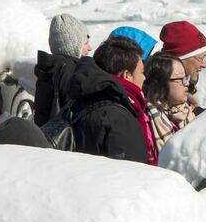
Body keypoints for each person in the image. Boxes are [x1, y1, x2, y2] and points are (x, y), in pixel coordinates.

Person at [66, 36, 157, 165]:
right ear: (127, 75)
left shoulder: (79, 100)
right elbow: (131, 175)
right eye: (142, 72)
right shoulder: (120, 119)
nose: (144, 78)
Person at [33, 13, 90, 127]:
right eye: (85, 43)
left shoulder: (50, 67)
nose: (90, 48)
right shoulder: (68, 71)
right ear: (73, 44)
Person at [143, 53, 197, 152]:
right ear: (161, 83)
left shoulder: (188, 112)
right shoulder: (146, 121)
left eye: (186, 78)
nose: (187, 84)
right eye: (180, 79)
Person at [158, 21, 206, 109]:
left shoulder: (177, 93)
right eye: (200, 58)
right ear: (181, 59)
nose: (204, 65)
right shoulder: (158, 104)